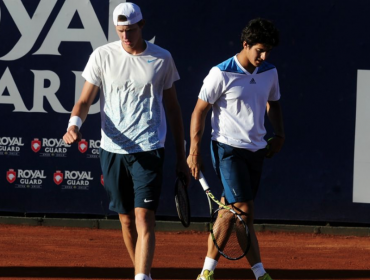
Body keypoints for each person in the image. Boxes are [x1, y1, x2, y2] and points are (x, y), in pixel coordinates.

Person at [63, 3, 189, 280]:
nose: (125, 36)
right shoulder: (102, 56)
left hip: (149, 147)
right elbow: (85, 100)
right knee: (126, 219)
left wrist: (181, 155)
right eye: (120, 31)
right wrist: (74, 125)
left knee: (145, 218)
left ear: (142, 26)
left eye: (130, 30)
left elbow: (173, 108)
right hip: (112, 149)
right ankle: (142, 272)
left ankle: (141, 277)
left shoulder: (162, 58)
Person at [187, 18, 285, 280]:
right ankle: (260, 273)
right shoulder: (220, 73)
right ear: (245, 44)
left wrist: (279, 134)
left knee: (230, 211)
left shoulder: (270, 72)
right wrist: (194, 150)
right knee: (243, 209)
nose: (263, 56)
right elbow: (199, 111)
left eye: (267, 52)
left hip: (257, 151)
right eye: (259, 50)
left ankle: (206, 272)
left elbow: (273, 104)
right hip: (227, 149)